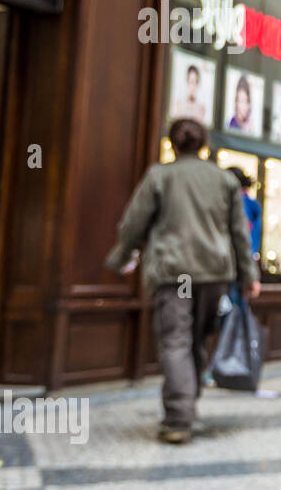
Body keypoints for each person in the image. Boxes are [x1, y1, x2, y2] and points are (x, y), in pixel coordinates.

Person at [104, 119, 259, 444]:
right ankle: (187, 407)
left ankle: (178, 418)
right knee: (195, 341)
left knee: (175, 341)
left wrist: (121, 257)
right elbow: (238, 234)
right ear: (203, 144)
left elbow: (134, 222)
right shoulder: (223, 180)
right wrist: (249, 275)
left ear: (172, 143)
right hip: (213, 273)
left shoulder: (160, 176)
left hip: (174, 273)